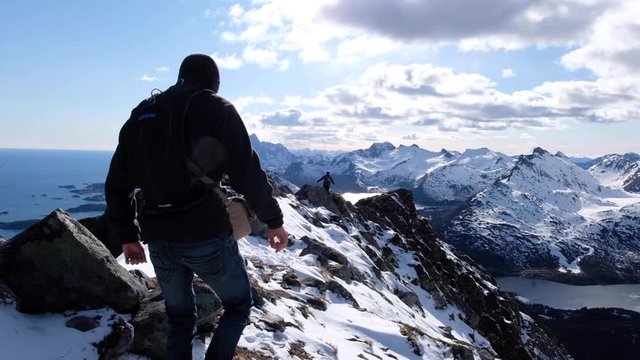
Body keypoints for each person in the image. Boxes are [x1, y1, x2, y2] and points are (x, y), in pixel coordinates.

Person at [105, 54, 288, 360]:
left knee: (179, 319)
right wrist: (273, 221)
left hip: (159, 237)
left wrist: (127, 235)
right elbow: (246, 172)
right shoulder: (217, 108)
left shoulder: (142, 114)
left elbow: (116, 184)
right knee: (238, 305)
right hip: (205, 233)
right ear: (214, 82)